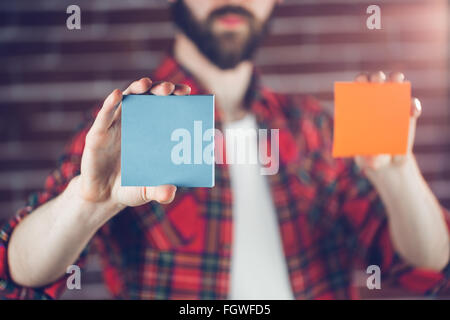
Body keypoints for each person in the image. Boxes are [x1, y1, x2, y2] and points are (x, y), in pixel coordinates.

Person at [1, 0, 449, 300]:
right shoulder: (123, 129)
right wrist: (84, 205)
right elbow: (19, 273)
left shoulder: (316, 128)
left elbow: (425, 266)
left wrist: (397, 174)